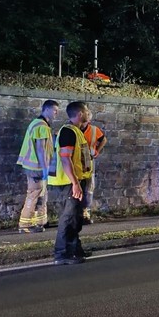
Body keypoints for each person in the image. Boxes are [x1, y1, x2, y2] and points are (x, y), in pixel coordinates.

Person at [48, 101, 93, 265]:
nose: (89, 113)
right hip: (68, 182)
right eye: (87, 111)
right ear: (80, 113)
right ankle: (61, 254)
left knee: (75, 218)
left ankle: (75, 250)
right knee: (68, 218)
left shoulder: (75, 131)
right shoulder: (68, 131)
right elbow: (65, 159)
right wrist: (75, 183)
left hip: (73, 180)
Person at [15, 99, 59, 233]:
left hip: (33, 166)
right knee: (34, 194)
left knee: (41, 194)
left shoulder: (37, 123)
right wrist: (45, 168)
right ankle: (24, 224)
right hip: (37, 168)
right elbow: (41, 149)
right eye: (55, 111)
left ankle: (40, 222)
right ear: (47, 109)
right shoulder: (42, 126)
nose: (56, 114)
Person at [81, 107, 107, 224]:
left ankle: (86, 213)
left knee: (89, 187)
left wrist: (97, 151)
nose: (83, 123)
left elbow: (103, 139)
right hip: (76, 161)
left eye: (85, 121)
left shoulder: (93, 129)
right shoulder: (73, 128)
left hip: (89, 161)